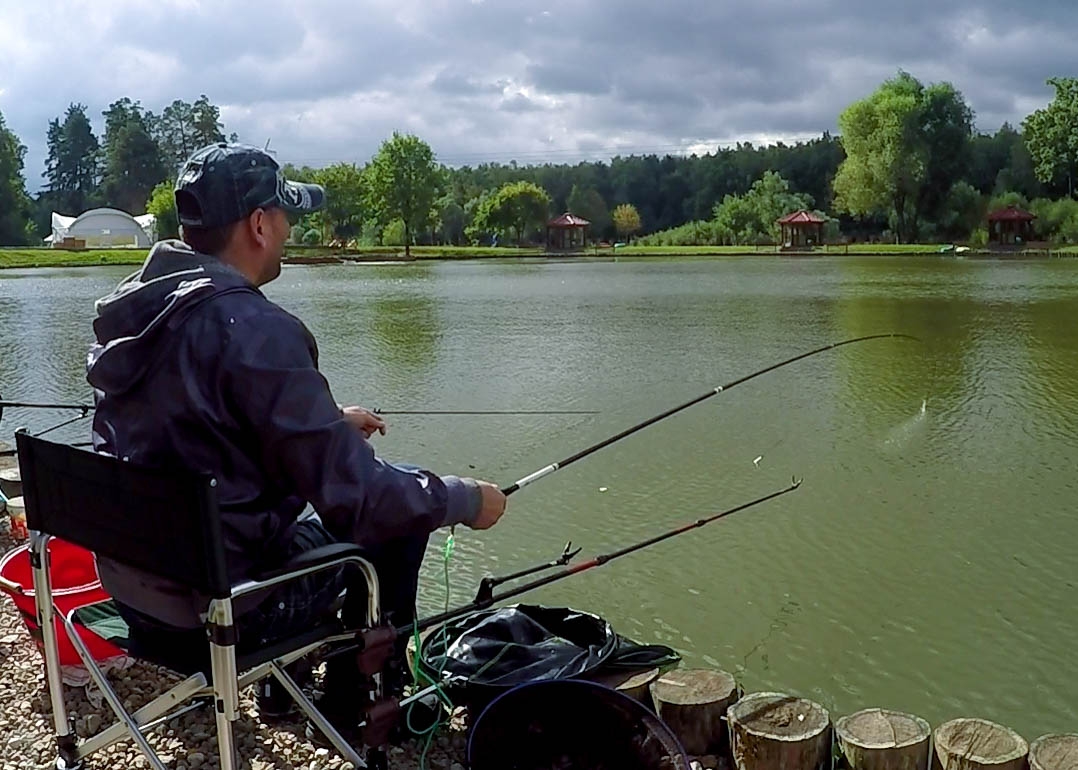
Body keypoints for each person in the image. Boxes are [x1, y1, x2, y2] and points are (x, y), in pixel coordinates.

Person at [85, 142, 507, 733]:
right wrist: (466, 498)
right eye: (284, 216)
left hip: (136, 592)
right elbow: (364, 501)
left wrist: (328, 420)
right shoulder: (257, 329)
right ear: (259, 224)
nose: (288, 231)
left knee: (361, 503)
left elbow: (192, 424)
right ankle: (351, 700)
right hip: (224, 609)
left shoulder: (136, 315)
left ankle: (289, 693)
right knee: (400, 518)